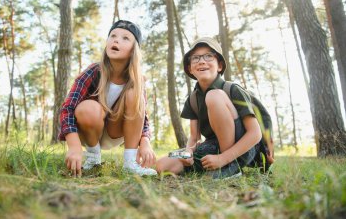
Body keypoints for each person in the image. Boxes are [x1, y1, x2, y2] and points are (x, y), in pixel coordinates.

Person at [58, 20, 157, 177]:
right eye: (113, 36)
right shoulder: (93, 71)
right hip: (90, 129)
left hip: (116, 131)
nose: (116, 40)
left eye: (125, 38)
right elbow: (67, 108)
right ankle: (93, 158)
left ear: (134, 50)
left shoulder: (136, 80)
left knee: (134, 94)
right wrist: (74, 145)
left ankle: (130, 163)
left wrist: (145, 141)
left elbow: (143, 116)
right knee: (88, 107)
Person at [156, 37, 263, 179]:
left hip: (241, 148)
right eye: (195, 58)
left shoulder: (232, 89)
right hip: (213, 147)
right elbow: (194, 137)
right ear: (190, 68)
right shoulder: (193, 99)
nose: (202, 61)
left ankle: (231, 168)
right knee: (162, 165)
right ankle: (205, 167)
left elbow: (255, 133)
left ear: (219, 65)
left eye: (208, 56)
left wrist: (223, 159)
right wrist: (188, 153)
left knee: (214, 96)